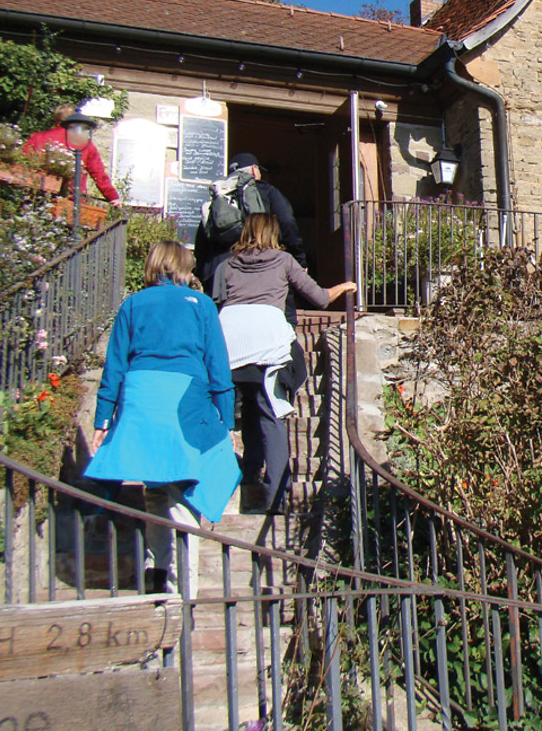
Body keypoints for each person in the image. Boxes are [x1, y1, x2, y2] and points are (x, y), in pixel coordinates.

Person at [84, 242, 239, 595]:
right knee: (185, 495)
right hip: (184, 401)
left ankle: (156, 574)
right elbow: (218, 366)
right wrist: (227, 421)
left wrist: (102, 421)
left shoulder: (132, 303)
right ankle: (184, 594)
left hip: (139, 399)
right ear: (182, 268)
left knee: (155, 490)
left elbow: (115, 367)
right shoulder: (200, 305)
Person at [212, 213, 355, 513]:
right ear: (273, 233)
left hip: (231, 341)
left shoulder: (225, 265)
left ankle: (249, 474)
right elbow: (319, 299)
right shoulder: (283, 260)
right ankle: (276, 496)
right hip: (268, 341)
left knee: (249, 406)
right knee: (272, 414)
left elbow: (215, 303)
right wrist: (344, 287)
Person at [194, 152, 306, 293]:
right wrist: (298, 260)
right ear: (254, 169)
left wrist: (202, 272)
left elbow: (202, 242)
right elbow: (287, 222)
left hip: (217, 273)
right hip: (257, 270)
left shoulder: (217, 198)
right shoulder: (266, 191)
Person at [22, 103, 121, 205]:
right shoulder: (84, 143)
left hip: (37, 196)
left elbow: (23, 163)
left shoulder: (38, 138)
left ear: (56, 119)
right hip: (71, 200)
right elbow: (98, 174)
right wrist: (112, 196)